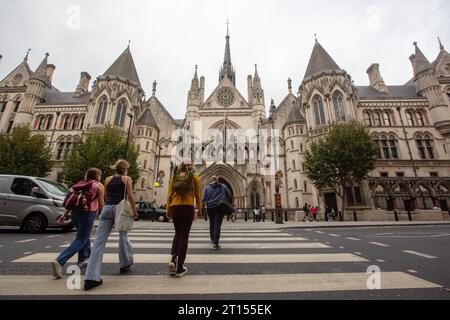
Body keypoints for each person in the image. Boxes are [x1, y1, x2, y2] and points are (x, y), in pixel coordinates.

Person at [84, 160, 138, 291]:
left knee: (98, 242)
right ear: (125, 169)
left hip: (107, 208)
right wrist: (134, 211)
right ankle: (125, 263)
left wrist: (106, 207)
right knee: (123, 236)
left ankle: (91, 278)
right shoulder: (127, 179)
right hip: (119, 210)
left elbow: (106, 196)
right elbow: (130, 195)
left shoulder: (107, 179)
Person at [51, 168, 104, 279]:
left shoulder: (79, 184)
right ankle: (59, 261)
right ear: (98, 175)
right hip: (87, 214)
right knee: (81, 239)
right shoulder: (98, 185)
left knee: (83, 236)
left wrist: (65, 215)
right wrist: (104, 218)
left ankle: (82, 259)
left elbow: (72, 201)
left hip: (75, 214)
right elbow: (101, 203)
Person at [167, 162, 202, 277]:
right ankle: (180, 267)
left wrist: (168, 208)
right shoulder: (194, 176)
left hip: (175, 206)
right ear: (190, 167)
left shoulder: (176, 175)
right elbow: (198, 194)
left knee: (177, 233)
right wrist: (200, 209)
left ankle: (173, 259)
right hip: (187, 207)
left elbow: (170, 192)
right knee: (184, 236)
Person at [202, 176, 232, 250]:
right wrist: (226, 201)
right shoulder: (223, 186)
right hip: (220, 207)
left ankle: (213, 239)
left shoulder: (207, 188)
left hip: (210, 208)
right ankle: (216, 242)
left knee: (212, 223)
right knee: (217, 225)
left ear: (211, 180)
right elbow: (229, 194)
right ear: (217, 180)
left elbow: (203, 198)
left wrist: (202, 207)